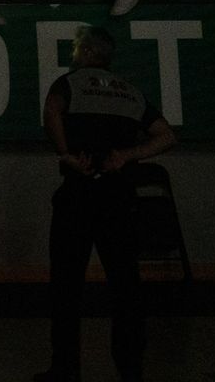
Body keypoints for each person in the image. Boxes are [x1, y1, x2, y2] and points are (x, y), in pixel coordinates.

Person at [37, 26, 177, 382]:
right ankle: (130, 366)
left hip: (79, 194)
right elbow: (166, 135)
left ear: (85, 53)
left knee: (66, 286)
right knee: (126, 285)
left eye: (75, 49)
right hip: (118, 196)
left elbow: (51, 112)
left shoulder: (69, 84)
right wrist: (127, 156)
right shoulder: (130, 93)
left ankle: (66, 367)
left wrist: (66, 154)